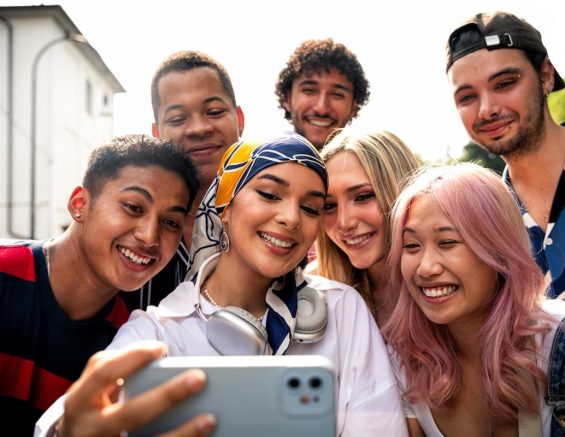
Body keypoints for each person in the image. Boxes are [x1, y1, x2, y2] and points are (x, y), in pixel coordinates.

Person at [41, 134, 408, 436]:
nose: (291, 218)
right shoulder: (157, 331)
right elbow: (67, 422)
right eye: (269, 194)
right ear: (225, 206)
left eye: (311, 208)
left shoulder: (342, 309)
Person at [0, 134, 199, 435]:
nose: (150, 236)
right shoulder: (5, 275)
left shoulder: (130, 339)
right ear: (79, 203)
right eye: (133, 207)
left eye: (170, 222)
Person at [382, 163, 565, 436]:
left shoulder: (556, 341)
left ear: (498, 251)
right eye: (411, 246)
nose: (426, 267)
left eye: (447, 242)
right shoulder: (405, 359)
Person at [445, 11, 565, 298]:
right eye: (467, 97)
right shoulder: (483, 221)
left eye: (504, 84)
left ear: (546, 76)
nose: (487, 109)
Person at [121, 50, 244, 312]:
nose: (198, 128)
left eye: (213, 111)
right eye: (178, 119)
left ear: (239, 119)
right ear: (156, 133)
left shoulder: (278, 219)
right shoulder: (127, 230)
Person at [313, 130, 420, 326]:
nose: (344, 222)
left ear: (400, 190)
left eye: (363, 197)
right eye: (329, 206)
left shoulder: (448, 280)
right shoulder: (315, 289)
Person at [275, 39, 370, 150]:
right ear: (287, 98)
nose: (321, 109)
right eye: (309, 91)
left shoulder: (376, 166)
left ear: (354, 106)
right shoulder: (257, 162)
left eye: (336, 95)